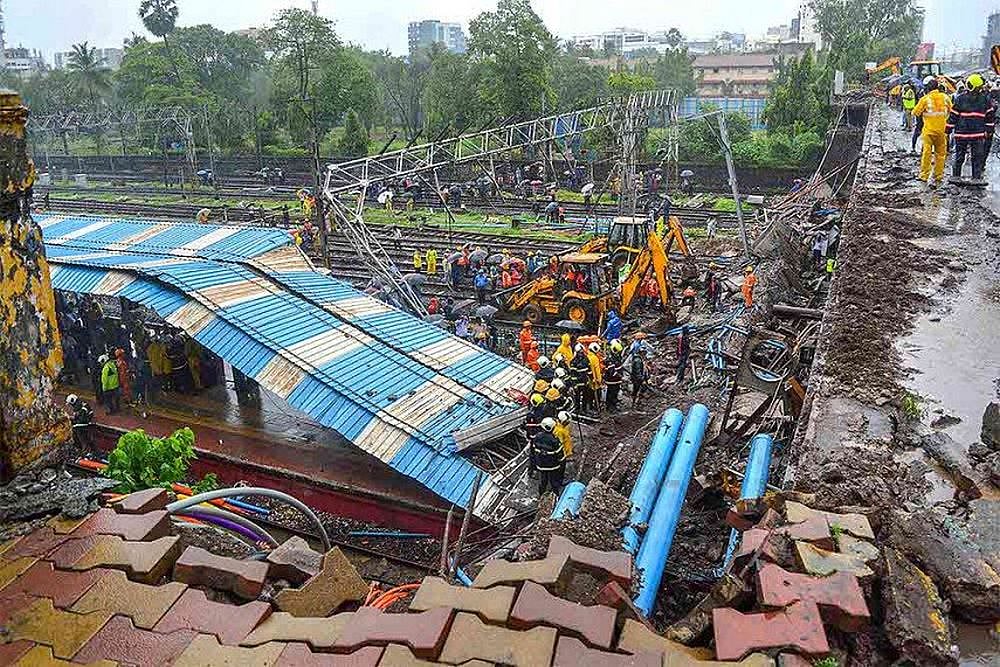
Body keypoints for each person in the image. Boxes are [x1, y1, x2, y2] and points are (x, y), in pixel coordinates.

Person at [948, 73, 992, 184]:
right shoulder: (985, 100)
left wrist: (948, 129)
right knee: (977, 157)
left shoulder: (960, 98)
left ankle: (956, 176)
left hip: (961, 134)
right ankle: (976, 178)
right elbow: (990, 117)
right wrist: (989, 131)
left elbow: (953, 116)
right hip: (977, 134)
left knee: (959, 155)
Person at [913, 77, 952, 187]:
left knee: (927, 153)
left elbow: (915, 112)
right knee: (940, 155)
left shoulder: (925, 99)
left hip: (929, 132)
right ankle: (938, 176)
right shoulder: (945, 97)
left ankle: (924, 175)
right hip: (942, 131)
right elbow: (951, 110)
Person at [532, 417, 566, 496]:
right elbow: (560, 454)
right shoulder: (555, 440)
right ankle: (555, 495)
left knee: (542, 481)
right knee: (554, 481)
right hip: (553, 466)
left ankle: (541, 495)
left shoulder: (537, 437)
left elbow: (533, 450)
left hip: (541, 464)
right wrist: (561, 463)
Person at [569, 343, 591, 413]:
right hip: (578, 384)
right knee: (577, 398)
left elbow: (589, 370)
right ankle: (577, 410)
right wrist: (574, 385)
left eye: (582, 352)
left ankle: (584, 410)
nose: (581, 354)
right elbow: (573, 375)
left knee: (586, 397)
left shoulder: (586, 359)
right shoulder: (573, 362)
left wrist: (591, 379)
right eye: (579, 352)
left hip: (585, 382)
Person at [604, 340, 625, 412]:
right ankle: (610, 407)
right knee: (611, 394)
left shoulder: (616, 357)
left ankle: (614, 406)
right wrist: (620, 376)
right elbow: (611, 372)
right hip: (612, 380)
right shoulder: (610, 359)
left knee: (615, 393)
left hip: (616, 380)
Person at [585, 342, 603, 413]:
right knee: (597, 395)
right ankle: (596, 408)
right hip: (595, 380)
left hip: (589, 379)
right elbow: (597, 370)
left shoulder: (587, 356)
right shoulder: (595, 358)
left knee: (589, 395)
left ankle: (590, 408)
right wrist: (599, 380)